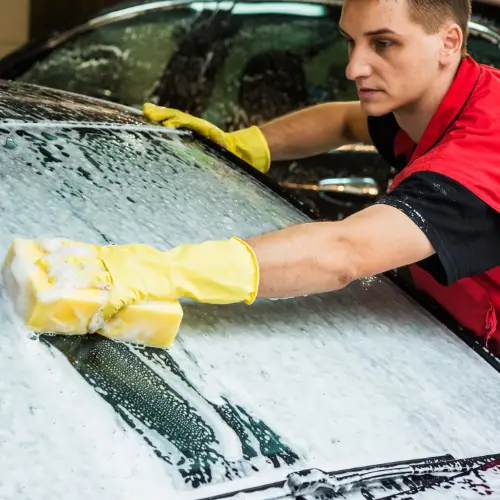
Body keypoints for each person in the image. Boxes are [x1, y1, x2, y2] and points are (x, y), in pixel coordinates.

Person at [43, 0, 500, 353]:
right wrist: (245, 144)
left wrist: (164, 272)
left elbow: (345, 254)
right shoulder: (425, 99)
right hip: (448, 339)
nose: (353, 68)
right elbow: (343, 121)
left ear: (449, 42)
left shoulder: (483, 147)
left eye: (383, 44)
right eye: (350, 41)